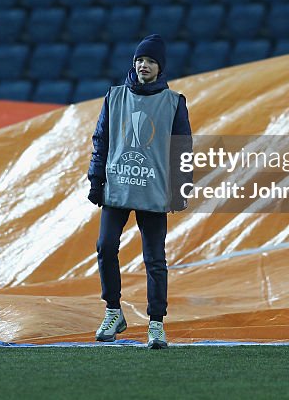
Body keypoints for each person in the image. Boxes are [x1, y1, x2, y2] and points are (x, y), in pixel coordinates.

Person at [87, 34, 192, 349]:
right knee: (105, 247)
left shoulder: (174, 102)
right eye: (139, 60)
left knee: (155, 259)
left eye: (150, 61)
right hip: (118, 186)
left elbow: (182, 150)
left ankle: (156, 323)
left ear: (160, 67)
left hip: (154, 190)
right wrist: (95, 180)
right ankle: (113, 311)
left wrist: (180, 189)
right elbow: (101, 140)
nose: (143, 65)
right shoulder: (114, 96)